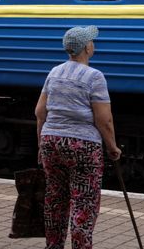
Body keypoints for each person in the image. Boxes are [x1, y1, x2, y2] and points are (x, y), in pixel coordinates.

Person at [35, 25, 122, 249]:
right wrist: (112, 147)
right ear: (86, 48)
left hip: (51, 141)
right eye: (92, 41)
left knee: (55, 199)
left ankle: (53, 246)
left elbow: (39, 112)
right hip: (82, 146)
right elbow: (104, 120)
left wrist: (40, 144)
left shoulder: (54, 72)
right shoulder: (94, 77)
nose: (94, 44)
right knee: (84, 203)